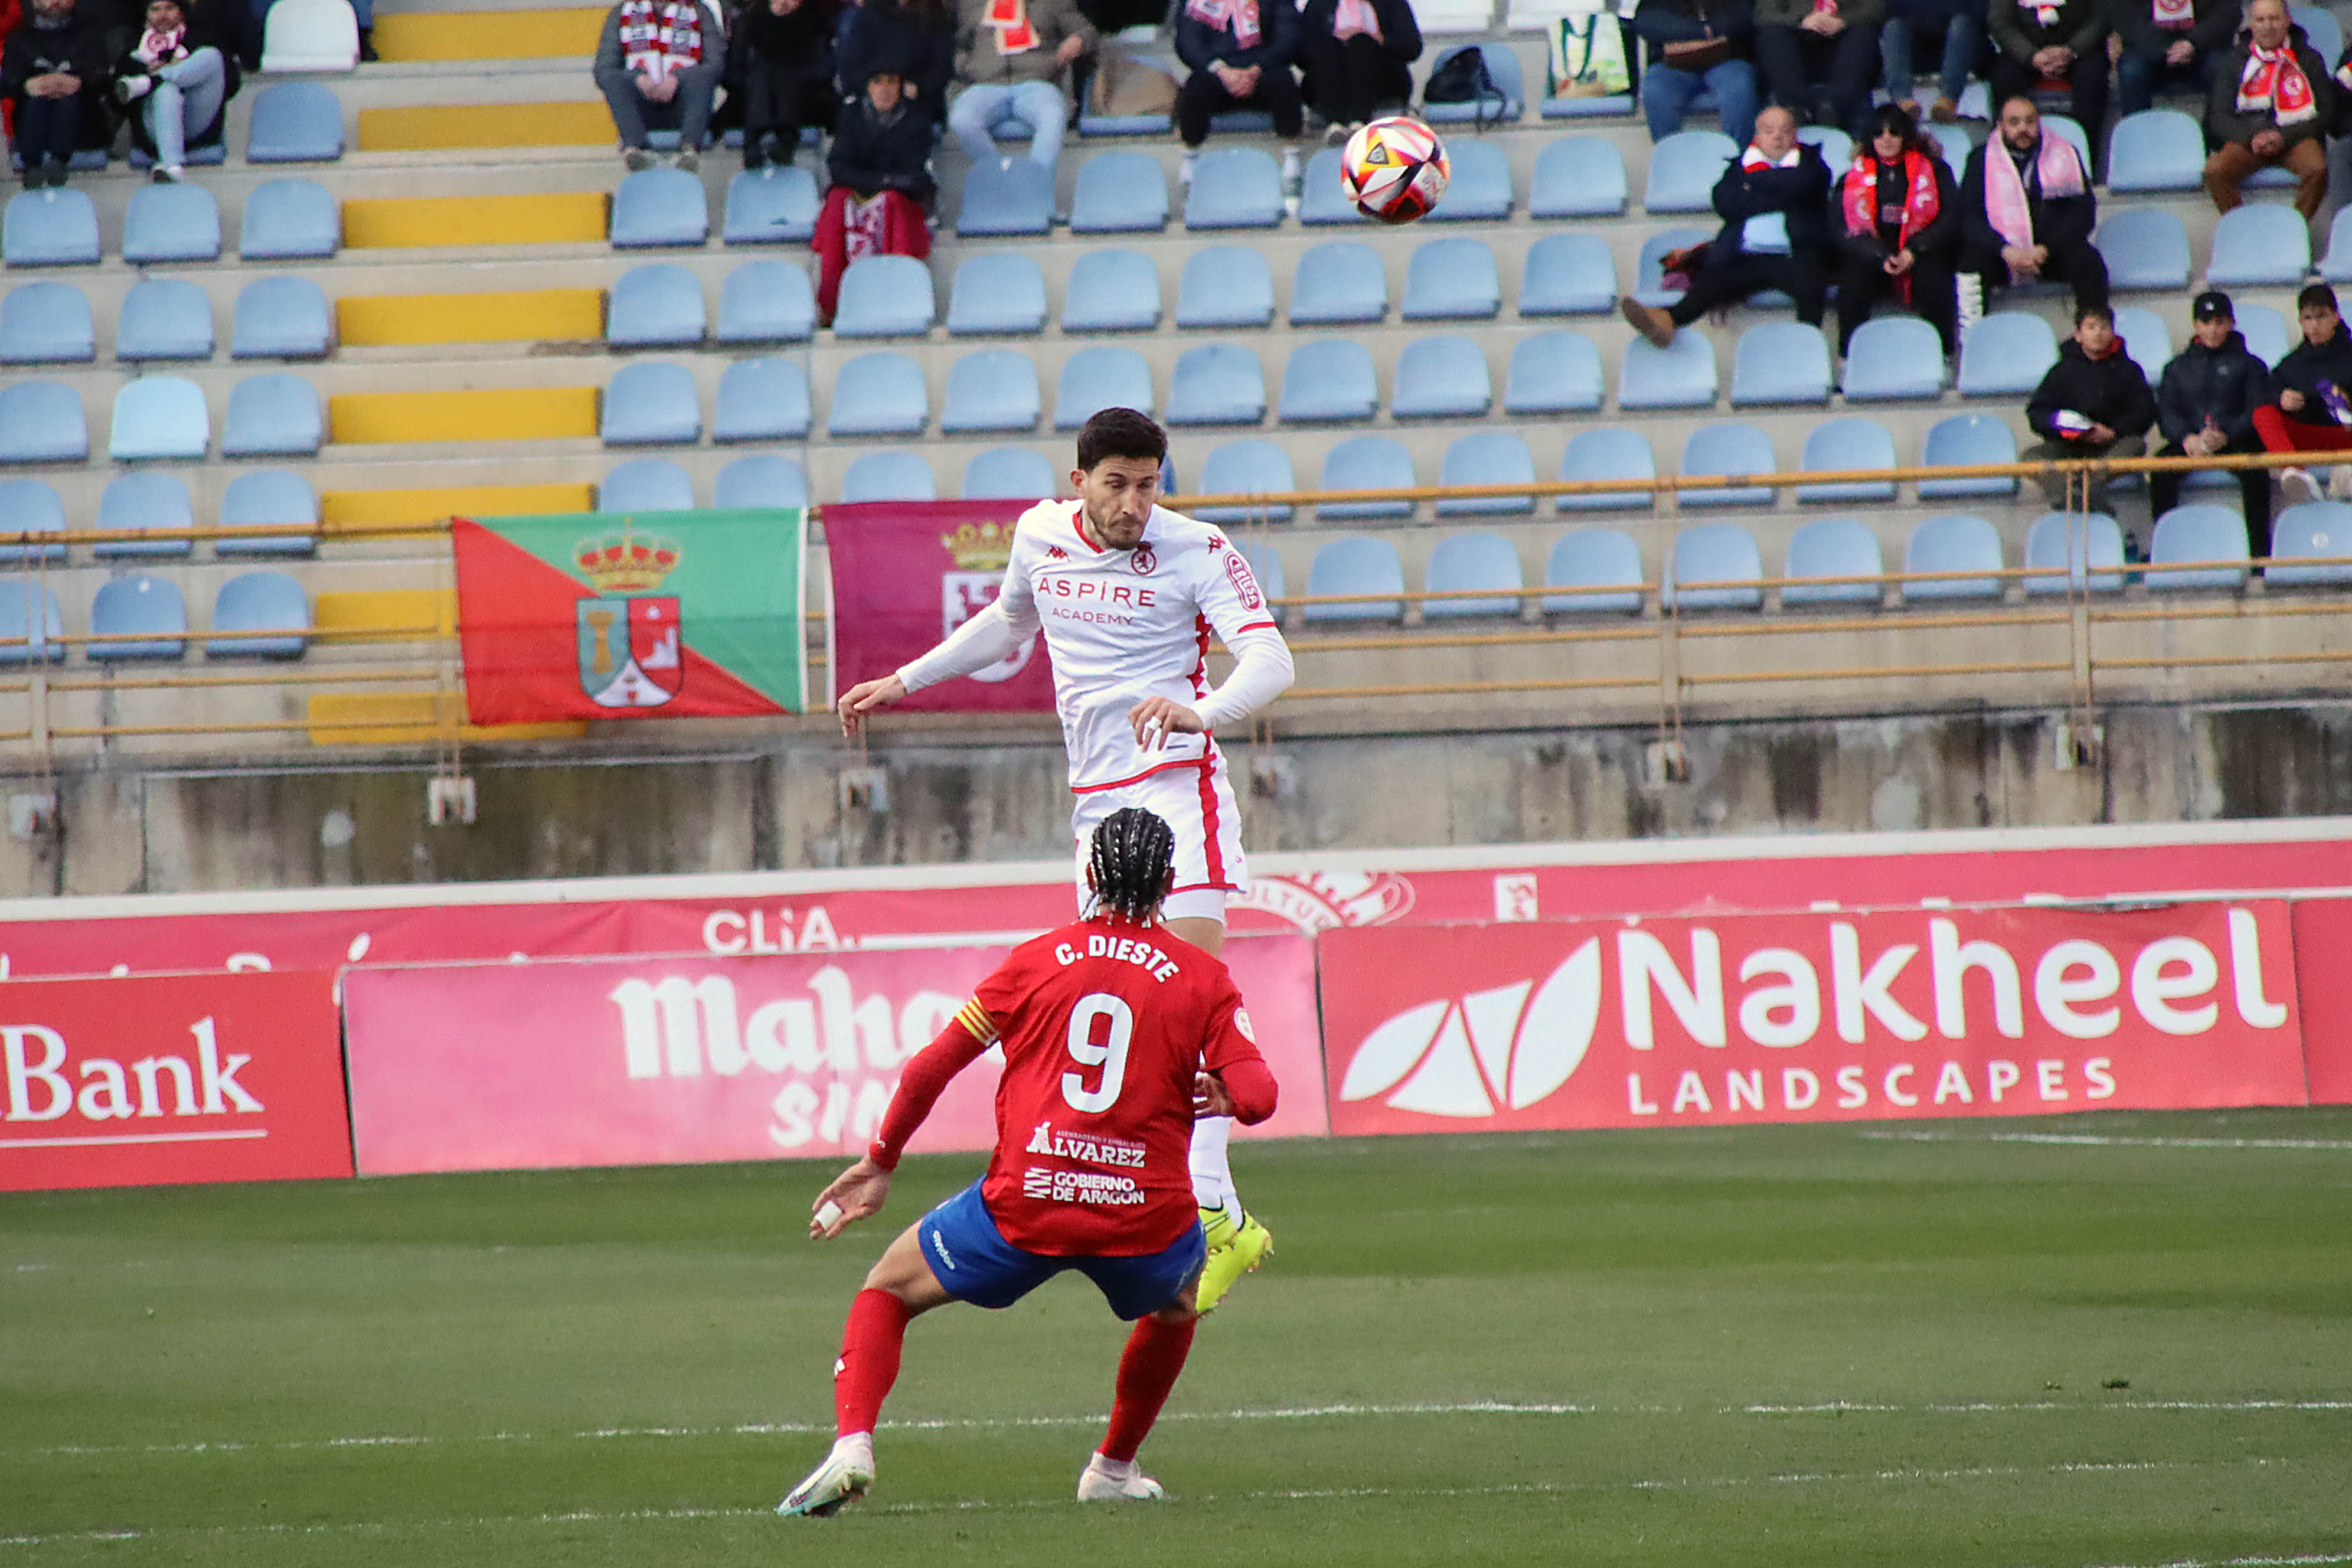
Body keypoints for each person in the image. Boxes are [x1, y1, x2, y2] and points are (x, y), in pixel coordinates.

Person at [837, 407, 1295, 1321]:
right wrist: (906, 681)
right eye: (1117, 484)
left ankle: (1216, 1213)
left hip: (1176, 791)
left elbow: (1271, 659)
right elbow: (1007, 627)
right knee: (1131, 1009)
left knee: (1190, 999)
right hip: (1098, 813)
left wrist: (1201, 714)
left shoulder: (1197, 548)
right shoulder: (1039, 535)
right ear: (1079, 479)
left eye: (1149, 483)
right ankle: (1188, 1208)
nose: (1135, 503)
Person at [775, 806, 1279, 1517]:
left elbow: (932, 1065)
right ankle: (1112, 1469)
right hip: (1140, 1219)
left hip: (1026, 1201)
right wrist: (1227, 1095)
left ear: (1091, 875)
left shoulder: (1037, 959)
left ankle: (853, 1445)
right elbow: (1261, 1096)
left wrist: (881, 1160)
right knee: (1179, 1300)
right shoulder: (1204, 979)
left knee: (886, 1290)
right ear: (1171, 882)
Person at [1619, 105, 1832, 343]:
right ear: (1757, 136)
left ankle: (1807, 346)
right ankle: (1666, 322)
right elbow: (1724, 201)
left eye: (1785, 131)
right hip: (1745, 255)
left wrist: (1752, 186)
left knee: (1812, 283)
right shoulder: (1739, 166)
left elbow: (1804, 187)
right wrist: (1785, 197)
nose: (1777, 137)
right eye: (1769, 131)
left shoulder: (1812, 165)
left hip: (1795, 255)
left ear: (1795, 135)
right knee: (1712, 279)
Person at [1959, 94, 2108, 320]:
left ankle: (2090, 335)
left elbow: (2083, 213)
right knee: (1969, 265)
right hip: (2002, 254)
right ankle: (1971, 341)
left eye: (2030, 122)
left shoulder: (2064, 155)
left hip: (2050, 253)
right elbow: (1968, 219)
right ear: (2001, 126)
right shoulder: (1980, 160)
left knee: (2088, 262)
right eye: (2015, 122)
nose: (2023, 129)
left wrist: (2046, 249)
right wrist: (2005, 250)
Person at [2152, 290, 2275, 556]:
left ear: (2231, 323)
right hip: (2191, 444)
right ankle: (2164, 553)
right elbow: (2167, 414)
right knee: (2160, 470)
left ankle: (2260, 557)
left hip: (2237, 442)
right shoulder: (2177, 368)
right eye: (2207, 322)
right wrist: (2187, 438)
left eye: (2220, 322)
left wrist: (2226, 435)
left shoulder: (2251, 365)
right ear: (2196, 325)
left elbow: (2258, 410)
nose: (2214, 330)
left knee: (2256, 472)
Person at [814, 60, 934, 323]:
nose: (885, 89)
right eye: (878, 82)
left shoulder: (916, 119)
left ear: (900, 87)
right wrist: (882, 180)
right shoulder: (851, 117)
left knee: (892, 202)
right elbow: (839, 167)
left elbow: (914, 174)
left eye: (891, 82)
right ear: (868, 87)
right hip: (865, 189)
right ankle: (830, 303)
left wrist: (879, 185)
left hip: (901, 199)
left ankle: (899, 297)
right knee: (837, 201)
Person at [1837, 102, 1961, 355]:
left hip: (1921, 252)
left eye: (1894, 132)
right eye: (1879, 133)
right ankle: (1849, 360)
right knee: (1851, 286)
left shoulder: (1936, 170)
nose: (1887, 139)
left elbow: (1951, 218)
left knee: (1937, 281)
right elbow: (1840, 228)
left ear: (1906, 136)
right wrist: (1879, 255)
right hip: (1872, 255)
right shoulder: (1851, 176)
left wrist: (1914, 251)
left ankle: (1945, 356)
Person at [2023, 303, 2158, 517]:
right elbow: (2037, 413)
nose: (2098, 333)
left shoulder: (2129, 370)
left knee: (2135, 445)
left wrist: (2114, 431)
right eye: (2091, 327)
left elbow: (2145, 412)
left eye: (2104, 327)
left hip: (2111, 445)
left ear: (2113, 333)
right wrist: (2066, 428)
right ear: (2078, 335)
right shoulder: (2062, 371)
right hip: (2068, 444)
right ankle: (2075, 493)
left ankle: (2085, 488)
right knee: (2031, 457)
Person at [2205, 0, 2332, 218]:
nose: (2268, 26)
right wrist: (2252, 137)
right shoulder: (2234, 61)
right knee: (2214, 171)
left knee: (2318, 170)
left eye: (2274, 19)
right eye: (2260, 20)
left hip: (2295, 137)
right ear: (2251, 24)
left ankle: (2294, 229)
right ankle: (2244, 228)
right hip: (2248, 140)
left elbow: (2327, 111)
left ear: (2287, 21)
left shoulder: (2309, 58)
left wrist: (2283, 136)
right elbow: (2218, 116)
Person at [946, 0, 1093, 171]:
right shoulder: (971, 4)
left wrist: (1079, 40)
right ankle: (1002, 177)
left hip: (1036, 84)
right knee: (962, 120)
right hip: (985, 85)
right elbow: (960, 44)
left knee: (1053, 115)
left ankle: (1035, 183)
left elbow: (1089, 32)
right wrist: (966, 66)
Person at [1174, 0, 1303, 190]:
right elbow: (1188, 42)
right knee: (1196, 86)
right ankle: (1191, 158)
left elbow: (1289, 36)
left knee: (1283, 81)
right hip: (1218, 72)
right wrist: (1222, 71)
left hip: (1262, 70)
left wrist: (1255, 70)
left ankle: (1291, 155)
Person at [110, 0, 237, 183]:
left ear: (181, 13)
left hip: (195, 120)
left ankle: (151, 81)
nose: (163, 15)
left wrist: (186, 70)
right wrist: (143, 69)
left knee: (211, 56)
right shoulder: (133, 46)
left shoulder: (201, 37)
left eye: (170, 8)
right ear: (146, 14)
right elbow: (118, 100)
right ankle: (172, 165)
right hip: (154, 126)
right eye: (155, 9)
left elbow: (232, 85)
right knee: (167, 91)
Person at [593, 0, 726, 171]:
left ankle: (690, 151)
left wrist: (678, 78)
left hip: (686, 107)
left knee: (702, 77)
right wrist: (638, 79)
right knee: (613, 79)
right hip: (641, 110)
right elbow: (603, 69)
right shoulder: (620, 14)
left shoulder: (699, 12)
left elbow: (716, 65)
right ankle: (635, 149)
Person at [2253, 282, 2352, 505]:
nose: (2315, 325)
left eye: (2321, 317)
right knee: (2264, 413)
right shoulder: (2292, 363)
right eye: (2308, 318)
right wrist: (2281, 398)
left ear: (2336, 317)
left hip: (2347, 435)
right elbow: (2261, 393)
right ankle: (2295, 473)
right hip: (2310, 439)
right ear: (2301, 322)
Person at [1987, 0, 2109, 165]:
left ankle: (2084, 162)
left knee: (2093, 77)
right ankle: (2009, 161)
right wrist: (2031, 56)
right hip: (2026, 48)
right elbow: (2001, 23)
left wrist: (2071, 50)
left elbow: (2101, 17)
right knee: (2004, 76)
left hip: (2078, 48)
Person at [2, 0, 105, 190]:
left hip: (82, 120)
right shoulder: (19, 39)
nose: (56, 2)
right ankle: (32, 166)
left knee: (68, 101)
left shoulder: (91, 34)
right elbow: (8, 80)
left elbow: (103, 76)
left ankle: (59, 162)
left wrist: (79, 82)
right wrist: (28, 85)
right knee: (36, 102)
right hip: (32, 115)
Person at [1632, 0, 1760, 145]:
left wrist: (1707, 31)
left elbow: (1746, 16)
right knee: (1656, 91)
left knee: (1739, 89)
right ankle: (1671, 159)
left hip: (1728, 60)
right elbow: (1646, 21)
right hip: (1674, 65)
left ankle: (1735, 160)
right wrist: (1703, 32)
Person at [727, 0, 836, 172]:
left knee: (786, 72)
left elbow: (822, 68)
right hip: (757, 97)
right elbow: (737, 68)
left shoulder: (814, 21)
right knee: (759, 74)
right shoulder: (753, 18)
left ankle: (784, 140)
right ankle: (755, 142)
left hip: (804, 96)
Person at [1297, 0, 1421, 143]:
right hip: (1330, 76)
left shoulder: (1392, 3)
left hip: (1381, 76)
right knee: (1328, 48)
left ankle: (1359, 121)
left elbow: (1411, 47)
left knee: (1361, 44)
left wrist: (1380, 40)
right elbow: (1301, 54)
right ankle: (1334, 124)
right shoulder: (1319, 4)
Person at [1754, 0, 1880, 136]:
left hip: (1843, 39)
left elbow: (1876, 9)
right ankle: (1797, 108)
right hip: (1797, 40)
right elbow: (1764, 13)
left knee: (1865, 34)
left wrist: (1843, 21)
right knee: (1772, 35)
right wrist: (1801, 20)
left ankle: (1834, 108)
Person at [839, 0, 959, 122]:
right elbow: (851, 69)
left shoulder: (935, 16)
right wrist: (879, 89)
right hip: (871, 108)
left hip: (919, 107)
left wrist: (919, 88)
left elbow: (942, 69)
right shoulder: (868, 14)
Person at [2110, 0, 2233, 116]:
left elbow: (2228, 12)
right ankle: (2138, 134)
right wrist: (2161, 48)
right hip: (2147, 47)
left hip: (2201, 46)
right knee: (2131, 71)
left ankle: (2213, 137)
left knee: (2223, 68)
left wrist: (2193, 43)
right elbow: (2122, 13)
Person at [1881, 0, 1979, 123]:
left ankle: (1948, 99)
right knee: (1894, 26)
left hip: (1958, 48)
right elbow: (1892, 9)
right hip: (1916, 47)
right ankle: (1902, 100)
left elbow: (1974, 11)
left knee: (1962, 23)